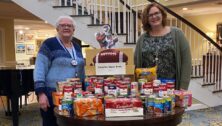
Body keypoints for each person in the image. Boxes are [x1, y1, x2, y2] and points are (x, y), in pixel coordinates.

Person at [34, 16, 85, 126]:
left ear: (73, 29)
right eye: (63, 25)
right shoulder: (49, 44)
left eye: (69, 25)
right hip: (52, 95)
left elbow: (81, 70)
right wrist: (41, 93)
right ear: (57, 28)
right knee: (51, 123)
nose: (66, 27)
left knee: (72, 123)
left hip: (74, 95)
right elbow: (39, 68)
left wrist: (85, 89)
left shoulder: (77, 47)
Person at [134, 3, 192, 90]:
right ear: (146, 19)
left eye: (157, 13)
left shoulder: (177, 34)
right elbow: (136, 64)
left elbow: (186, 62)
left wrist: (183, 87)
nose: (154, 17)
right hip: (148, 89)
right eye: (150, 15)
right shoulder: (142, 39)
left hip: (171, 88)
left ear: (162, 14)